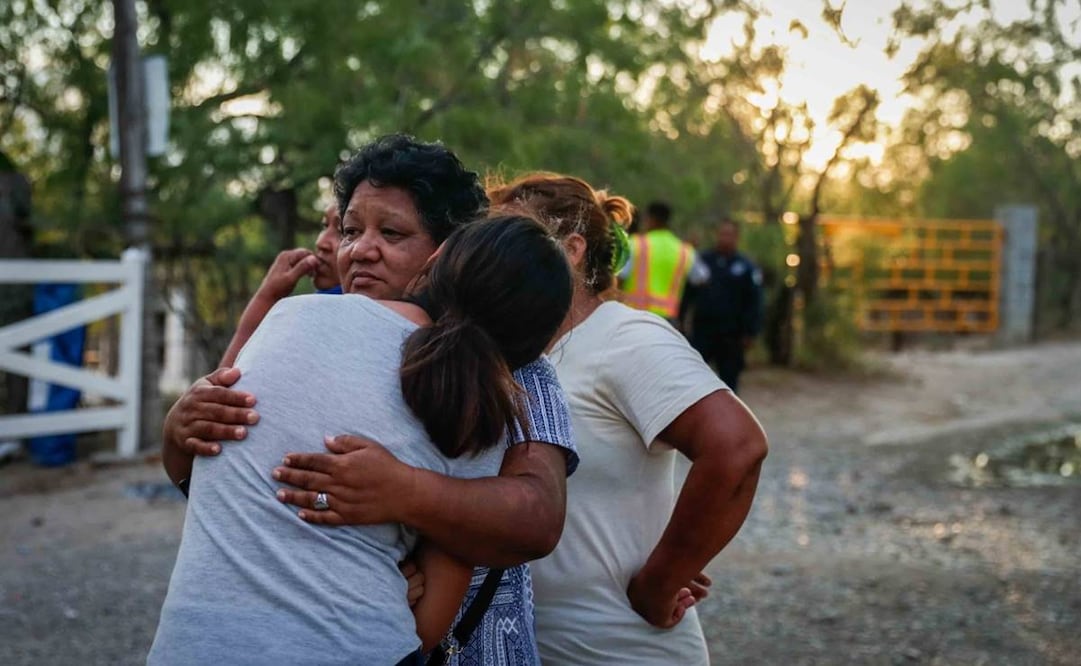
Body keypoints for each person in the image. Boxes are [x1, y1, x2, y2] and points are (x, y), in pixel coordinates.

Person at [278, 172, 769, 665]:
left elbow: (736, 449)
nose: (491, 250)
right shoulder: (490, 353)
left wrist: (661, 580)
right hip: (531, 647)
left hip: (616, 650)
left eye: (515, 234)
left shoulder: (626, 338)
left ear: (571, 250)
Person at [160, 134, 577, 664]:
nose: (360, 250)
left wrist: (403, 493)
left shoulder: (506, 371)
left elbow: (537, 519)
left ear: (447, 252)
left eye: (394, 233)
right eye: (350, 230)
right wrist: (178, 435)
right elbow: (232, 494)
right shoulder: (302, 330)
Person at [684, 216, 763, 392]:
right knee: (695, 380)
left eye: (729, 234)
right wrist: (682, 321)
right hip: (703, 332)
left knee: (729, 385)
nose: (725, 238)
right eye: (722, 233)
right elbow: (687, 293)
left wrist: (751, 331)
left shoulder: (746, 266)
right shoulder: (702, 261)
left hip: (732, 337)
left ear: (737, 237)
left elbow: (755, 300)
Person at [620, 200, 709, 329]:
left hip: (633, 318)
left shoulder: (636, 244)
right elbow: (702, 278)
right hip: (667, 323)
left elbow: (618, 279)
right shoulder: (684, 250)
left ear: (651, 219)